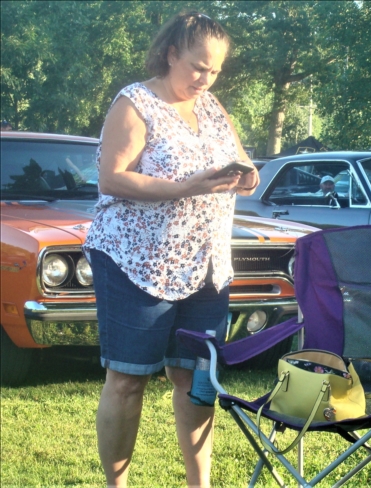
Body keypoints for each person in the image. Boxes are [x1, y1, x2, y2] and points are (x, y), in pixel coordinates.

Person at [82, 12, 259, 488]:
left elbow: (241, 162)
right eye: (198, 67)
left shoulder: (213, 107)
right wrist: (185, 187)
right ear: (171, 54)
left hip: (205, 267)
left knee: (197, 381)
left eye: (215, 70)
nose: (206, 78)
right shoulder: (135, 103)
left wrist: (246, 176)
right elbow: (112, 178)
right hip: (136, 264)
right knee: (127, 380)